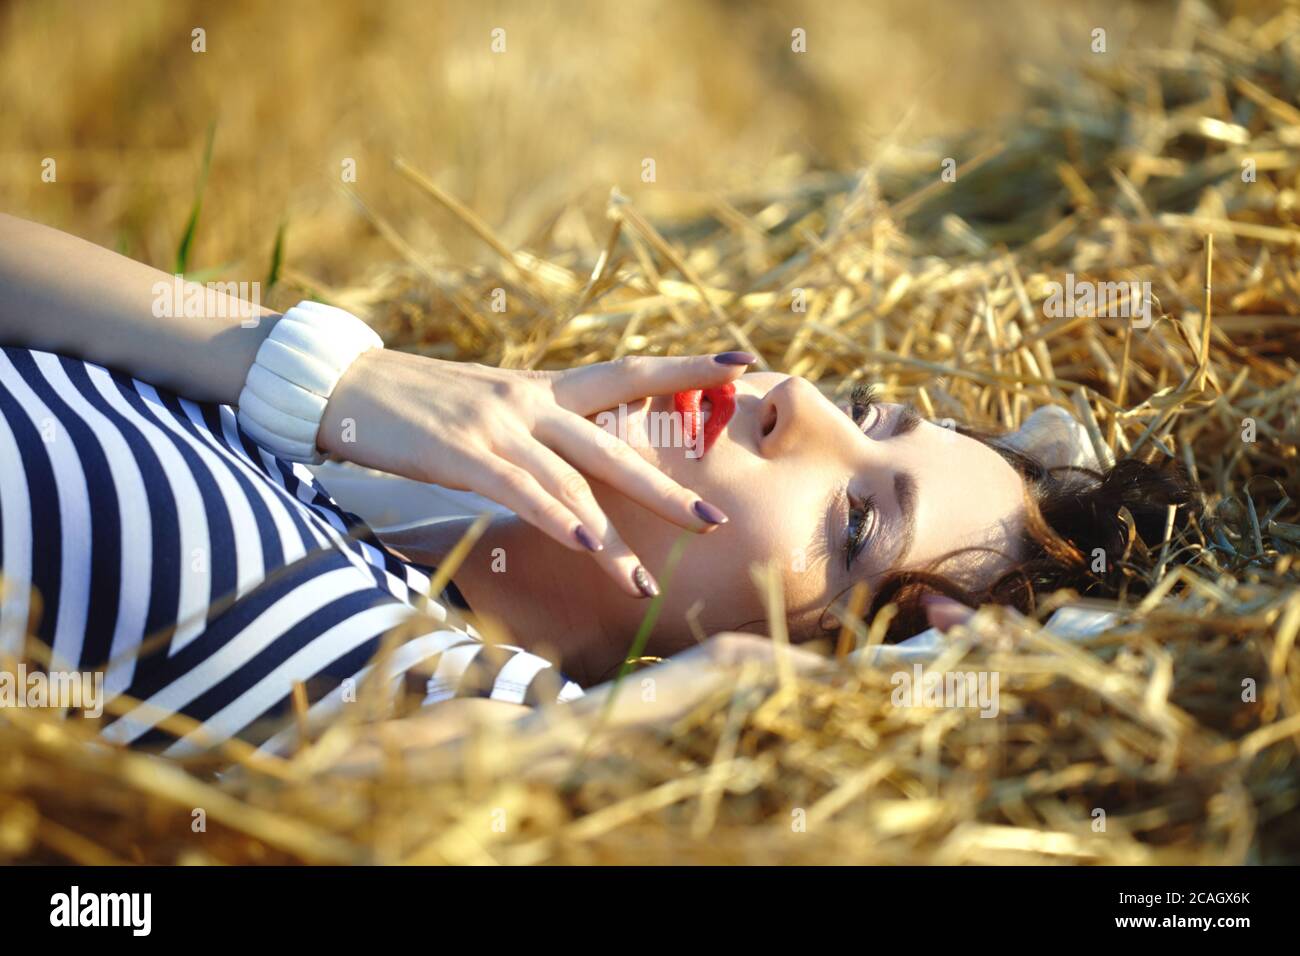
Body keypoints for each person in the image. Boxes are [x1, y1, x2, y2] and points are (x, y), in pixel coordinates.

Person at [0, 214, 1198, 754]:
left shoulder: (444, 698)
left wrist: (738, 692)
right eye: (875, 413)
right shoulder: (350, 468)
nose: (803, 401)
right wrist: (334, 374)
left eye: (855, 518)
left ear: (810, 661)